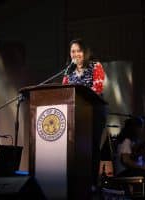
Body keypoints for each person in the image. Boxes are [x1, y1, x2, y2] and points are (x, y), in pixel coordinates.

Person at [62, 38, 106, 191]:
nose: (76, 54)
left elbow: (98, 88)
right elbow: (64, 92)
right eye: (73, 51)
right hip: (75, 114)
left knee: (92, 146)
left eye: (78, 50)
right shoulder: (68, 71)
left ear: (85, 52)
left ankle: (93, 182)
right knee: (74, 147)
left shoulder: (95, 66)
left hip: (94, 111)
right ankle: (75, 181)